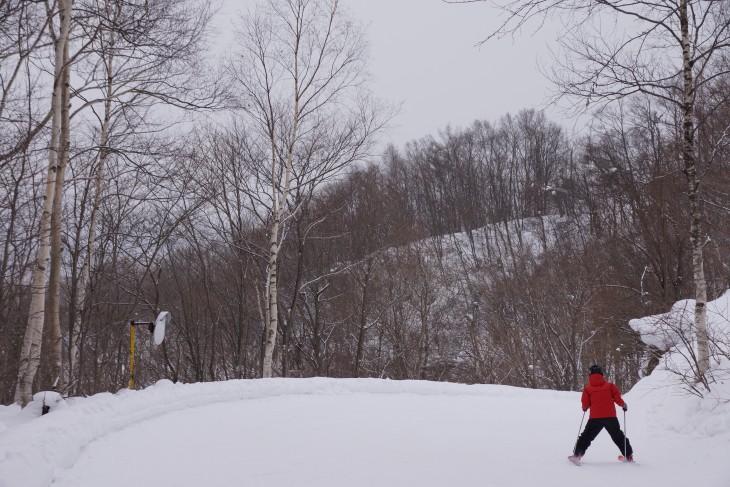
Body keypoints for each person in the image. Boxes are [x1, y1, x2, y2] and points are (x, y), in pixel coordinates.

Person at [571, 364, 634, 464]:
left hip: (595, 418)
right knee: (618, 436)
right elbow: (618, 398)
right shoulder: (610, 386)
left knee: (586, 437)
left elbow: (585, 404)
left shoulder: (588, 389)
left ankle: (577, 455)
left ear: (590, 375)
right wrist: (623, 405)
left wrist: (584, 408)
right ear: (601, 374)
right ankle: (629, 455)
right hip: (611, 417)